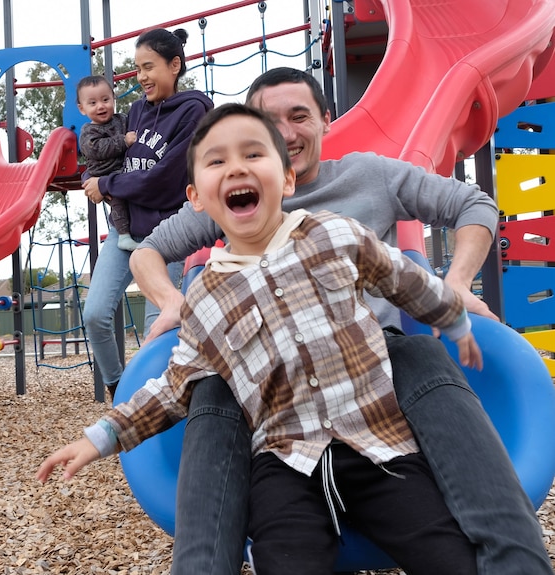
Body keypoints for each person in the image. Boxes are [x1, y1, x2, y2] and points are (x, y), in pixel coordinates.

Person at [129, 68, 552, 574]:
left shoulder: (369, 175)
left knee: (417, 352)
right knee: (212, 385)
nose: (285, 132)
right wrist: (170, 299)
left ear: (326, 121)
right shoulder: (241, 192)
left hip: (371, 361)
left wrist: (456, 283)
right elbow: (149, 251)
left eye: (299, 116)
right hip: (273, 387)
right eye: (268, 121)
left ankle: (515, 561)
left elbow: (473, 203)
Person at [39, 103, 482, 573]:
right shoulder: (207, 296)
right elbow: (174, 387)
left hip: (378, 444)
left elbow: (404, 281)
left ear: (287, 180)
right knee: (286, 559)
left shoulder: (336, 236)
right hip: (286, 463)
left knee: (449, 554)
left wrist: (455, 319)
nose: (236, 168)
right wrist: (101, 437)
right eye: (216, 161)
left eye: (253, 154)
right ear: (196, 198)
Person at [81, 28, 213, 400]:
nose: (141, 77)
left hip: (169, 234)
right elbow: (111, 158)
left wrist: (107, 186)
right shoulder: (136, 110)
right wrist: (91, 176)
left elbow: (167, 180)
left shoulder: (194, 111)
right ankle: (120, 387)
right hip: (125, 230)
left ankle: (155, 405)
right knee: (95, 314)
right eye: (137, 68)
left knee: (158, 327)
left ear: (174, 65)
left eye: (148, 67)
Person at [76, 75, 140, 251]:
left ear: (114, 98)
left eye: (105, 99)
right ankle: (124, 236)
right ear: (82, 109)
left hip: (123, 168)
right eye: (93, 103)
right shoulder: (88, 131)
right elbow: (96, 149)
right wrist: (123, 141)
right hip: (104, 173)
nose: (101, 106)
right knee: (117, 199)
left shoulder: (122, 119)